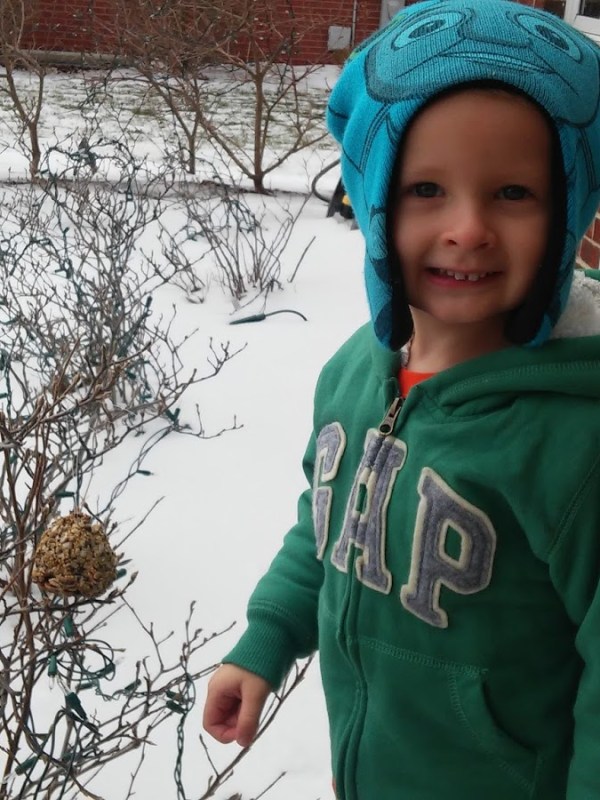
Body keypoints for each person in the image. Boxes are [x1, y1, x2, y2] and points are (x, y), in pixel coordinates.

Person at [202, 1, 600, 797]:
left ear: (570, 211)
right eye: (426, 187)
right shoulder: (358, 371)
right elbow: (328, 520)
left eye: (515, 192)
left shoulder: (576, 443)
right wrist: (267, 638)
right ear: (372, 195)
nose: (469, 228)